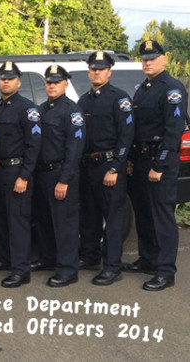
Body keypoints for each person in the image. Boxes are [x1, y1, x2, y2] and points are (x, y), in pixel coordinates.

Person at [125, 40, 188, 291]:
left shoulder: (172, 88)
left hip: (159, 161)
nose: (147, 62)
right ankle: (148, 259)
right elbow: (136, 128)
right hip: (140, 160)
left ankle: (165, 271)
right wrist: (131, 158)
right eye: (144, 59)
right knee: (143, 214)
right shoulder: (143, 89)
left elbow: (173, 132)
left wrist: (160, 166)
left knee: (162, 217)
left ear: (164, 58)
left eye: (152, 57)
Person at [77, 51, 134, 286]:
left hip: (109, 167)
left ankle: (112, 266)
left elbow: (126, 136)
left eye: (101, 69)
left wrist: (115, 168)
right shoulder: (83, 100)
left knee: (112, 218)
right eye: (93, 69)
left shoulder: (119, 99)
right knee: (89, 216)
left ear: (109, 72)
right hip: (88, 167)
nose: (96, 72)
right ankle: (90, 256)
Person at [0, 61, 41, 288]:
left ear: (18, 82)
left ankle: (21, 270)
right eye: (2, 78)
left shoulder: (28, 109)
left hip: (17, 172)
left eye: (10, 78)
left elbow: (34, 145)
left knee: (18, 221)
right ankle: (6, 259)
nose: (5, 81)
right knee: (1, 219)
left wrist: (24, 176)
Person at [32, 64, 85, 287]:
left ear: (65, 83)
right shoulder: (42, 109)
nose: (52, 86)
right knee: (44, 221)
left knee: (65, 225)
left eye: (56, 82)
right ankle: (48, 258)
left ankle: (67, 269)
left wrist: (64, 180)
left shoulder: (72, 112)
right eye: (49, 82)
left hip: (60, 175)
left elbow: (74, 149)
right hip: (42, 174)